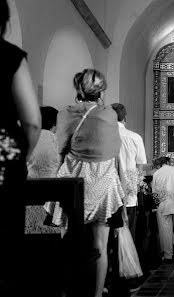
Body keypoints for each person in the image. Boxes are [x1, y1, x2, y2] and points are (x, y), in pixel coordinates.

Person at [56, 69, 124, 297]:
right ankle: (96, 294)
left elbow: (60, 148)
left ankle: (68, 289)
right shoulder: (109, 114)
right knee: (100, 245)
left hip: (72, 180)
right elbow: (114, 150)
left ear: (78, 89)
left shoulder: (66, 113)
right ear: (101, 91)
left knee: (68, 239)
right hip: (103, 182)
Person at [0, 1, 41, 291]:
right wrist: (22, 156)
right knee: (6, 241)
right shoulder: (9, 56)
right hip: (3, 159)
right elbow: (32, 122)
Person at [111, 103, 147, 242]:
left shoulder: (104, 137)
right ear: (125, 118)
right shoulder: (135, 137)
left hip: (109, 191)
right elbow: (140, 167)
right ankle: (126, 260)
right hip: (130, 191)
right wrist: (137, 188)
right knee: (128, 232)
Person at [26, 106, 60, 235]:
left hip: (31, 187)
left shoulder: (31, 137)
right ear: (53, 123)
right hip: (52, 190)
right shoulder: (54, 138)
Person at [152, 156, 174, 262]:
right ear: (168, 162)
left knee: (166, 231)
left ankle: (168, 255)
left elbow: (154, 192)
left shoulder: (157, 174)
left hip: (164, 204)